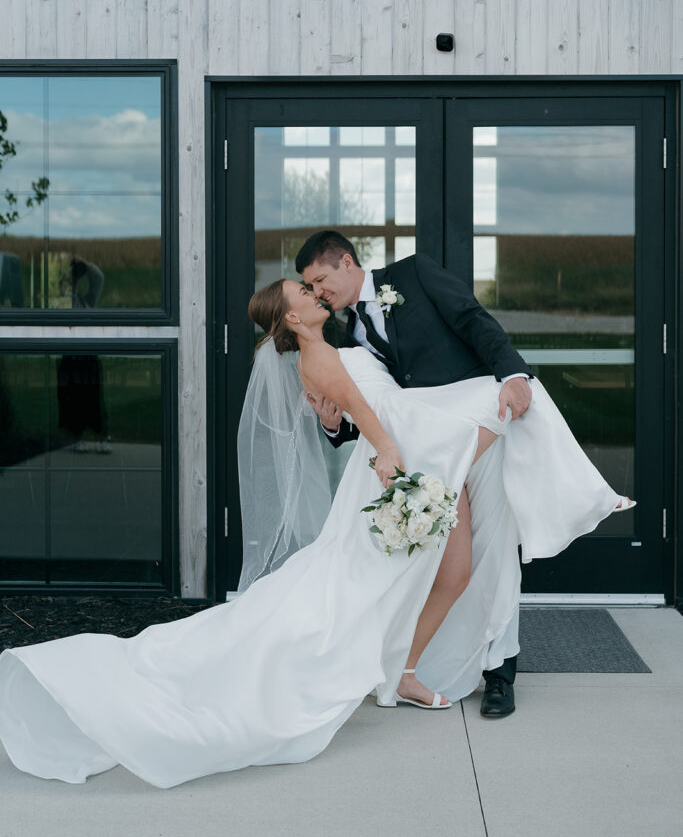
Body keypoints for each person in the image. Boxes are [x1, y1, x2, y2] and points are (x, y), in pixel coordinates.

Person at [0, 275, 632, 789]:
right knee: (334, 601)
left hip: (406, 465)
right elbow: (374, 426)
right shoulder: (324, 356)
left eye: (311, 283)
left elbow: (379, 412)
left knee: (380, 584)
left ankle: (402, 674)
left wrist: (454, 438)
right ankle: (358, 672)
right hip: (395, 472)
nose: (313, 293)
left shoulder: (326, 351)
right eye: (302, 292)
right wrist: (457, 443)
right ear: (293, 318)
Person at [296, 231, 533, 717]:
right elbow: (363, 413)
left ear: (345, 262)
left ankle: (500, 676)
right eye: (310, 287)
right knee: (451, 564)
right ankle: (431, 662)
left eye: (320, 279)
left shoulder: (414, 273)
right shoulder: (340, 335)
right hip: (425, 455)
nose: (318, 292)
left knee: (497, 553)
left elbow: (472, 320)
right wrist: (329, 423)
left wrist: (512, 374)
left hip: (476, 432)